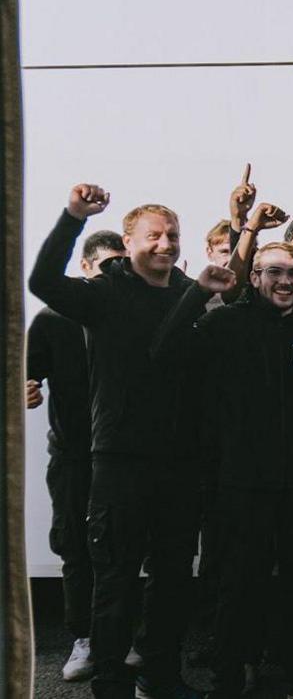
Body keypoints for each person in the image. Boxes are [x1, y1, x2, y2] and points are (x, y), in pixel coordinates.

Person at [28, 184, 201, 699]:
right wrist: (73, 217)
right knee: (117, 581)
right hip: (120, 461)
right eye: (153, 236)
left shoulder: (189, 292)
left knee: (172, 579)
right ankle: (110, 684)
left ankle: (161, 678)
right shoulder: (102, 294)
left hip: (180, 462)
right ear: (129, 244)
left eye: (172, 235)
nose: (165, 244)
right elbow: (41, 281)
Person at [151, 241, 293, 698]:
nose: (285, 281)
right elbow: (165, 351)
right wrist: (196, 293)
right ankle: (231, 673)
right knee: (239, 583)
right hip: (238, 482)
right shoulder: (224, 323)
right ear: (254, 278)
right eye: (273, 271)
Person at [26, 229, 125, 682]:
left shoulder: (134, 311)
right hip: (73, 455)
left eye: (121, 265)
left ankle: (121, 638)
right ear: (85, 267)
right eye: (106, 265)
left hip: (126, 453)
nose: (115, 274)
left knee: (125, 548)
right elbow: (25, 377)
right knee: (75, 546)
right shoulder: (50, 319)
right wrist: (23, 391)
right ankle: (82, 637)